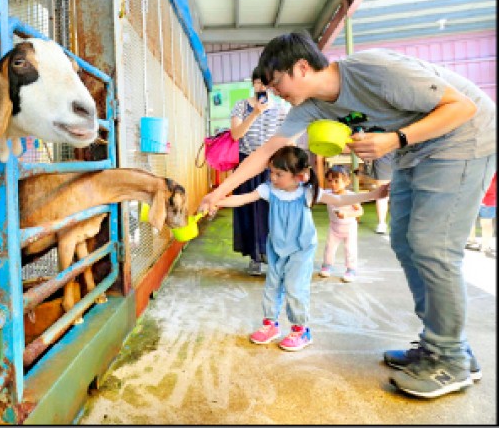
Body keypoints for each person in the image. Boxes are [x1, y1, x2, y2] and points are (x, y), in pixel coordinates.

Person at [199, 31, 496, 398]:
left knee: (432, 246)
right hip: (415, 152)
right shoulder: (309, 108)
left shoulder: (375, 70)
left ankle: (449, 360)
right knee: (404, 242)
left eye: (277, 83)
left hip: (463, 139)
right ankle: (442, 345)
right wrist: (218, 192)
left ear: (302, 67)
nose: (275, 93)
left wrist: (395, 139)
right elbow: (265, 152)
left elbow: (463, 107)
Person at [216, 146, 388, 351]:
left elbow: (340, 199)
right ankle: (270, 325)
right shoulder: (268, 190)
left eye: (279, 174)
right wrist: (217, 201)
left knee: (295, 288)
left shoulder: (306, 193)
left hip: (301, 248)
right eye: (271, 172)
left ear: (300, 176)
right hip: (277, 247)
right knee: (272, 286)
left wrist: (373, 194)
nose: (273, 177)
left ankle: (301, 330)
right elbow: (242, 199)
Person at [229, 66, 288, 275]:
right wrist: (255, 113)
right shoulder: (241, 106)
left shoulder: (281, 108)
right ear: (252, 84)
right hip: (246, 164)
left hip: (272, 165)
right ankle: (255, 257)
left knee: (272, 212)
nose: (262, 86)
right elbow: (236, 135)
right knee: (249, 211)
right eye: (258, 82)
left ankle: (272, 255)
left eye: (266, 82)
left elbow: (286, 138)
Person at [319, 165, 363, 282]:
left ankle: (351, 269)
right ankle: (327, 265)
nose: (332, 184)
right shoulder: (327, 194)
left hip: (349, 228)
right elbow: (315, 193)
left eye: (336, 181)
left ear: (347, 181)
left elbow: (360, 211)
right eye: (329, 181)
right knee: (329, 247)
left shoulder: (350, 196)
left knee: (350, 249)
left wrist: (346, 214)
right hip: (334, 227)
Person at [466, 172, 496, 254]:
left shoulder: (479, 166)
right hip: (489, 200)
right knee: (487, 224)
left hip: (474, 197)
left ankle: (471, 241)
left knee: (471, 220)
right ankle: (485, 246)